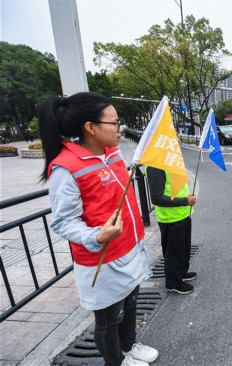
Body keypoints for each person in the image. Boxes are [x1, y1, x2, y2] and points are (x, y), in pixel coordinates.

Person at [38, 92, 158, 366]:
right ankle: (115, 361)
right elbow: (63, 221)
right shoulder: (65, 169)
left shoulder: (113, 154)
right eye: (114, 123)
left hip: (129, 247)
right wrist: (95, 236)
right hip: (101, 260)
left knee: (130, 303)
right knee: (108, 318)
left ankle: (129, 346)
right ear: (90, 127)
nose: (120, 128)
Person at [146, 166, 197, 295]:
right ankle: (173, 283)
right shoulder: (155, 166)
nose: (176, 144)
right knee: (173, 253)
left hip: (183, 213)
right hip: (170, 219)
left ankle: (182, 273)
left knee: (183, 250)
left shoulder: (170, 159)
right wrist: (186, 200)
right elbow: (157, 198)